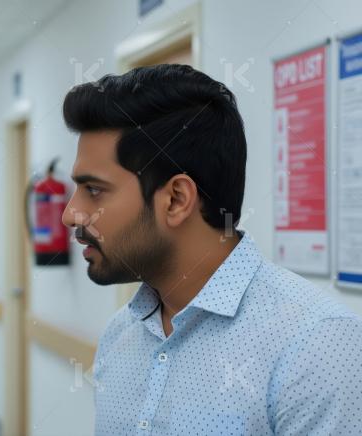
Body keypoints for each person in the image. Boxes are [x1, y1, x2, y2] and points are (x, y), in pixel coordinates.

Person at [61, 64, 362, 435]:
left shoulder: (317, 345)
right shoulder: (120, 334)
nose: (70, 214)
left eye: (93, 190)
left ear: (176, 199)